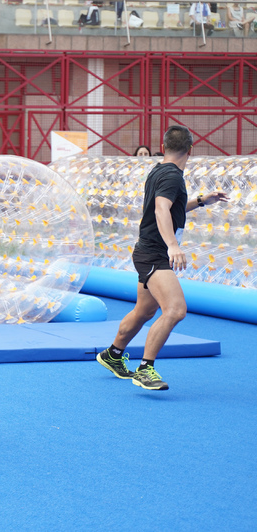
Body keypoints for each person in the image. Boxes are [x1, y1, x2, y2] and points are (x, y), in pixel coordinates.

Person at [96, 125, 229, 390]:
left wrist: (202, 200)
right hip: (154, 253)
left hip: (148, 250)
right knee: (176, 310)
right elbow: (160, 209)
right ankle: (145, 369)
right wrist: (172, 246)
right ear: (191, 150)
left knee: (145, 310)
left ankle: (113, 354)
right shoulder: (172, 176)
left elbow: (172, 206)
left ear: (163, 146)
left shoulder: (159, 170)